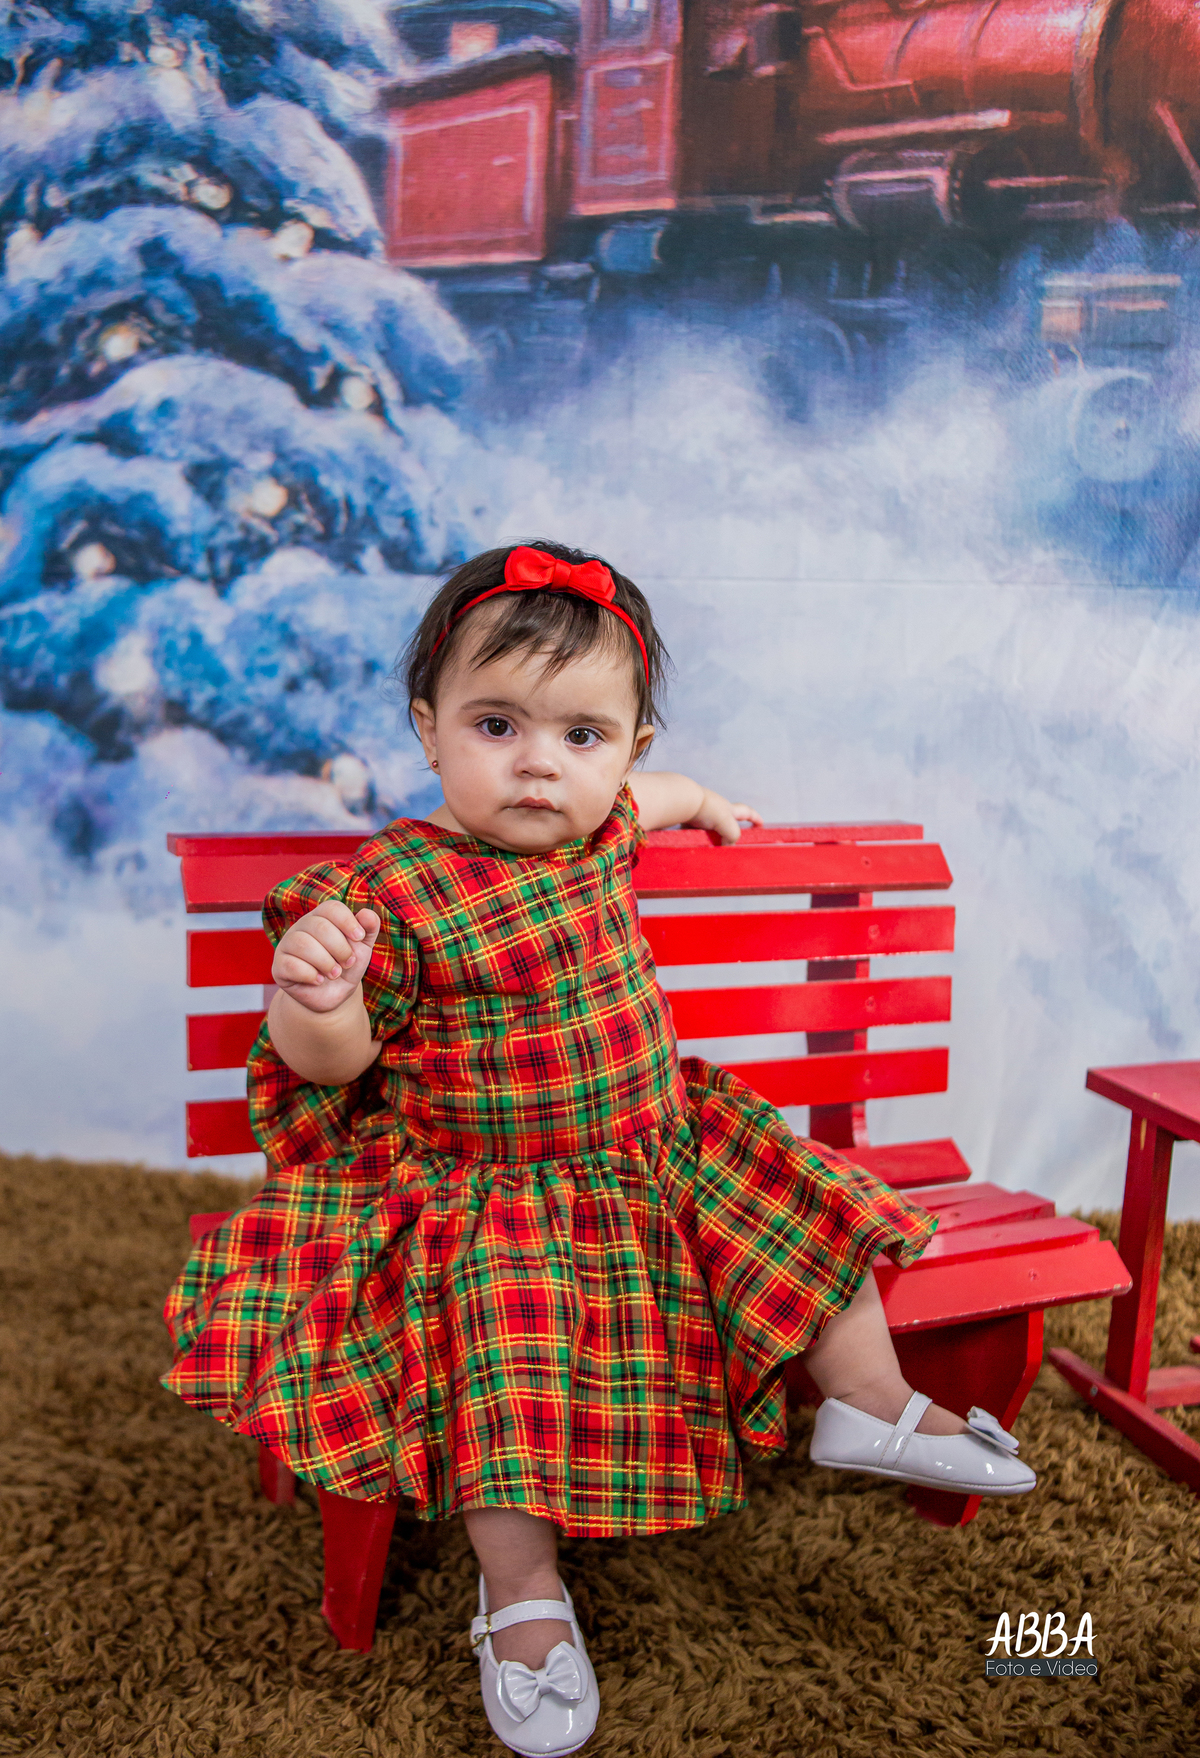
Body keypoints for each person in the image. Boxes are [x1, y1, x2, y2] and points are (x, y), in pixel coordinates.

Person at [163, 541, 1034, 1758]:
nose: (539, 763)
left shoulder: (603, 826)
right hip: (493, 1199)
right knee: (506, 1379)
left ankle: (870, 1402)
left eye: (582, 736)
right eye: (497, 725)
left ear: (624, 749)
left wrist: (706, 802)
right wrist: (315, 993)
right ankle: (522, 1595)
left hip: (655, 1146)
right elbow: (332, 1065)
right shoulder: (388, 893)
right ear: (427, 730)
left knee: (800, 1214)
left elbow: (653, 797)